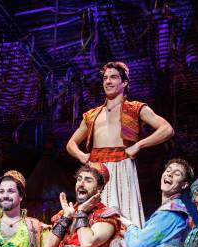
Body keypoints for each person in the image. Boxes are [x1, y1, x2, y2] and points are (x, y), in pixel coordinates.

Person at [66, 61, 174, 228]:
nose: (108, 81)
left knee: (124, 216)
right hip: (96, 169)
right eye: (105, 78)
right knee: (93, 216)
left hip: (122, 165)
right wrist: (81, 155)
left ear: (124, 83)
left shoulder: (135, 108)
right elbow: (71, 143)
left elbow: (167, 129)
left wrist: (139, 145)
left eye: (114, 77)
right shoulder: (91, 115)